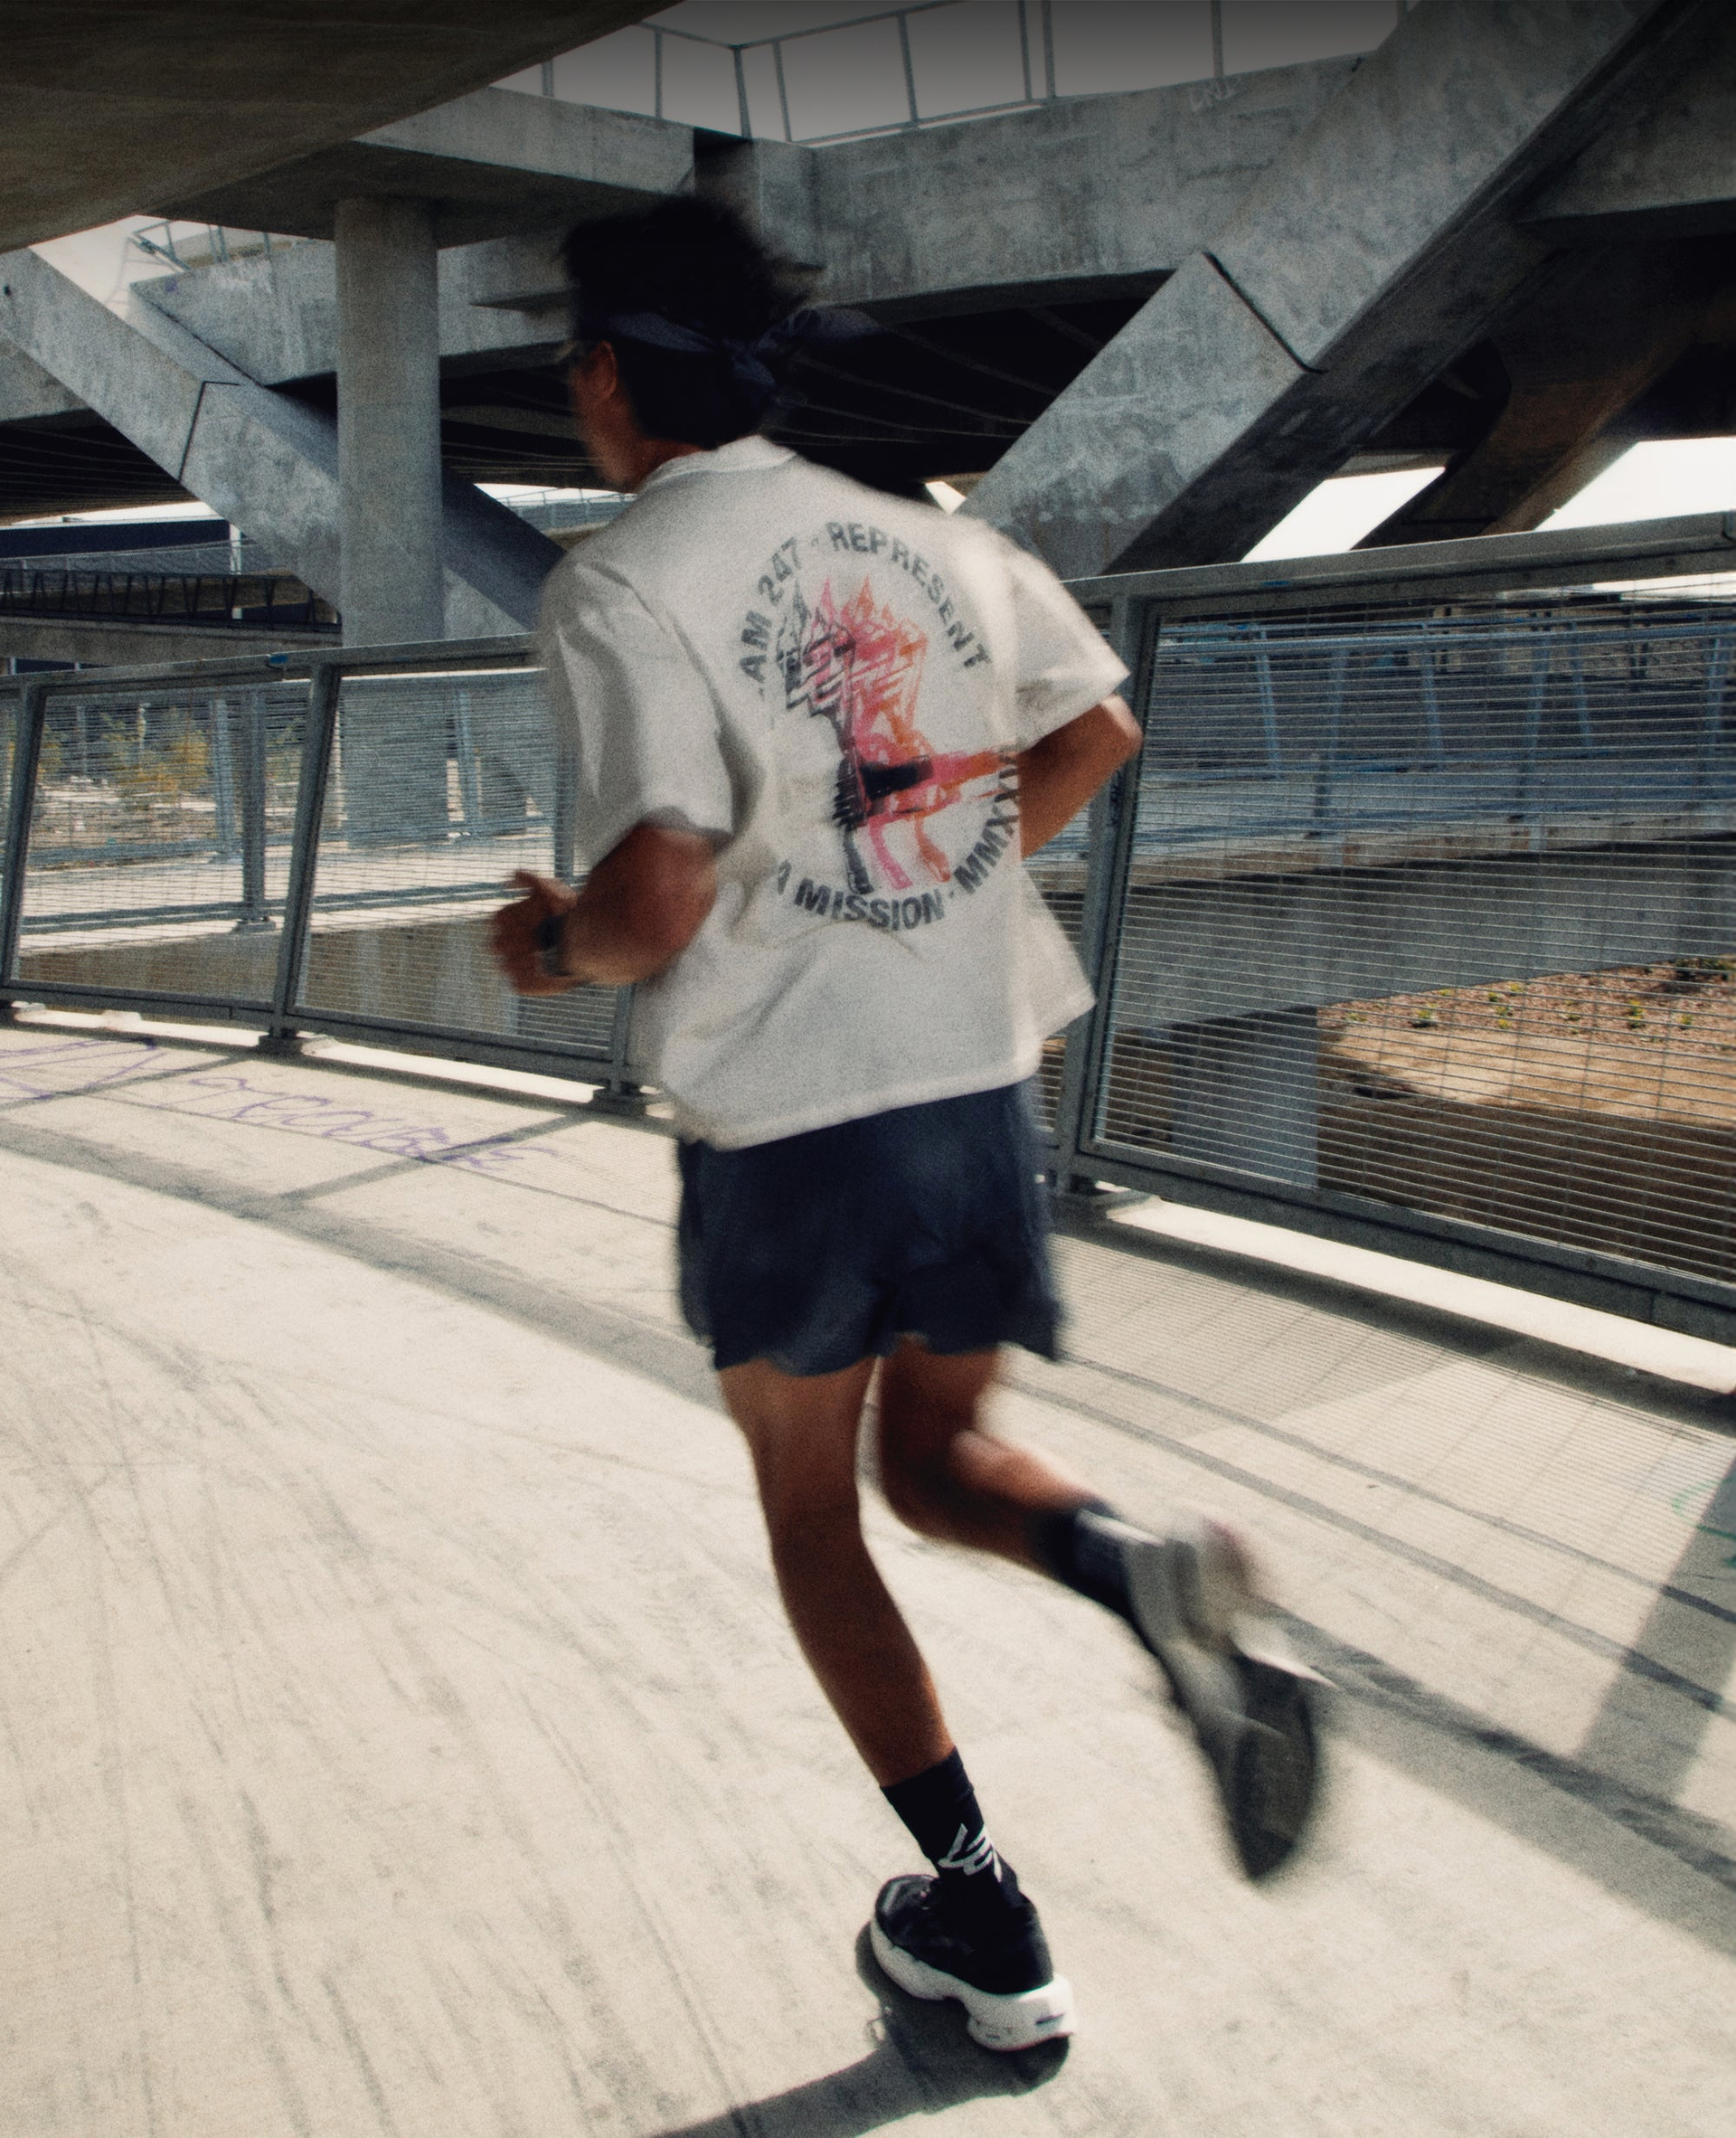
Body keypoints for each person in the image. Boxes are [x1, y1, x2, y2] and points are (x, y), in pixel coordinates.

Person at [491, 196, 1320, 2055]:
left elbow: (653, 905)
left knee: (815, 1519)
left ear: (608, 372)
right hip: (971, 1084)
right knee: (939, 1464)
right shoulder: (928, 532)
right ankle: (1140, 1571)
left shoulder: (621, 582)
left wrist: (547, 945)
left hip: (793, 1120)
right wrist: (928, 875)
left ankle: (983, 1917)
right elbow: (1096, 731)